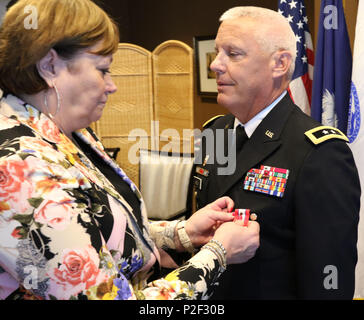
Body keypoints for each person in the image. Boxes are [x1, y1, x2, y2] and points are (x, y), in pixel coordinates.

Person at [0, 0, 260, 300]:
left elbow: (96, 230)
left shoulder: (67, 132)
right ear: (49, 66)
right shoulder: (18, 166)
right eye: (102, 70)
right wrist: (218, 254)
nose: (112, 86)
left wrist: (181, 233)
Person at [193, 6, 361, 299]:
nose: (215, 65)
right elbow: (202, 225)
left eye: (233, 54)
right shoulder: (215, 132)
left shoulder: (318, 153)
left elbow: (327, 276)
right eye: (218, 52)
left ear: (280, 64)